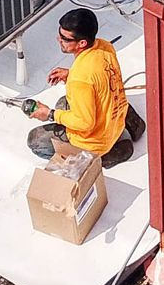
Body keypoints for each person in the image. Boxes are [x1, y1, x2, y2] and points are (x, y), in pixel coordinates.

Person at [25, 9, 146, 168]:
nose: (58, 40)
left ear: (82, 43)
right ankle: (133, 125)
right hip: (115, 115)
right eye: (59, 34)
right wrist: (70, 74)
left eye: (65, 39)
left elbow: (85, 123)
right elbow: (99, 79)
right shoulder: (105, 47)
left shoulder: (80, 79)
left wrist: (49, 114)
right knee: (64, 102)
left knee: (35, 140)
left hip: (97, 140)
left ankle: (104, 156)